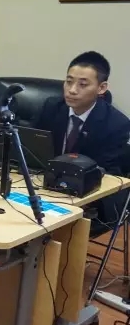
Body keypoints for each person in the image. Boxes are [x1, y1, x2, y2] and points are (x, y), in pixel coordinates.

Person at [35, 51, 130, 226]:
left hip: (89, 198)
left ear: (101, 88)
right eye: (69, 82)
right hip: (45, 186)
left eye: (83, 84)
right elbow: (34, 150)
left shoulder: (117, 124)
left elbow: (107, 174)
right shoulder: (52, 107)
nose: (72, 90)